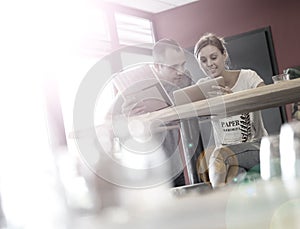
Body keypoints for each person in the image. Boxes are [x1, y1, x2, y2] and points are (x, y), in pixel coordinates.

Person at [108, 39, 194, 187]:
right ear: (157, 66)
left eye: (182, 64)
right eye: (173, 67)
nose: (180, 71)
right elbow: (110, 121)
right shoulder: (136, 84)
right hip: (147, 164)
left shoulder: (185, 80)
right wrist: (128, 116)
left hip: (175, 162)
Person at [194, 33, 268, 188]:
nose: (209, 64)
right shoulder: (203, 86)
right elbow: (192, 112)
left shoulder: (248, 77)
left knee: (218, 156)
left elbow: (267, 97)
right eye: (203, 60)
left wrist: (236, 99)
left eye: (213, 57)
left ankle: (217, 202)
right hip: (229, 154)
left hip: (256, 146)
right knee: (236, 175)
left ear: (224, 54)